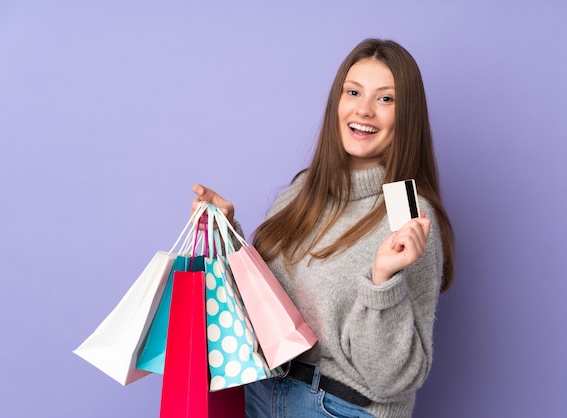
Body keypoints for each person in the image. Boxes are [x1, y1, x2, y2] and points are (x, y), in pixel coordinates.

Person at [191, 38, 454, 418]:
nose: (363, 110)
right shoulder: (304, 191)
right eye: (353, 92)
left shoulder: (407, 217)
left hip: (338, 407)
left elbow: (393, 379)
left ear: (406, 115)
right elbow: (263, 307)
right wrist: (226, 230)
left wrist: (383, 281)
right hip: (262, 394)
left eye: (385, 99)